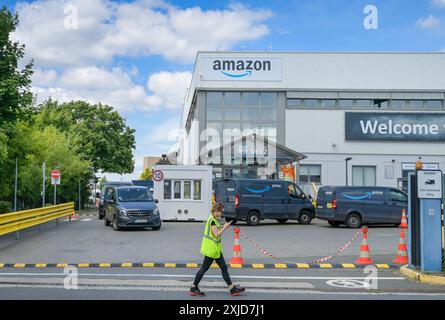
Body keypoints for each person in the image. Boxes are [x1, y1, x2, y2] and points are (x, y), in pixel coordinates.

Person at [189, 202, 246, 297]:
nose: (222, 214)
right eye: (221, 211)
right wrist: (225, 228)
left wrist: (223, 226)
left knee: (223, 267)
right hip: (211, 249)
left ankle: (232, 288)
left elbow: (215, 230)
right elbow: (216, 235)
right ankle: (193, 287)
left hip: (215, 249)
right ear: (216, 211)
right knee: (204, 268)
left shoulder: (213, 219)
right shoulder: (212, 220)